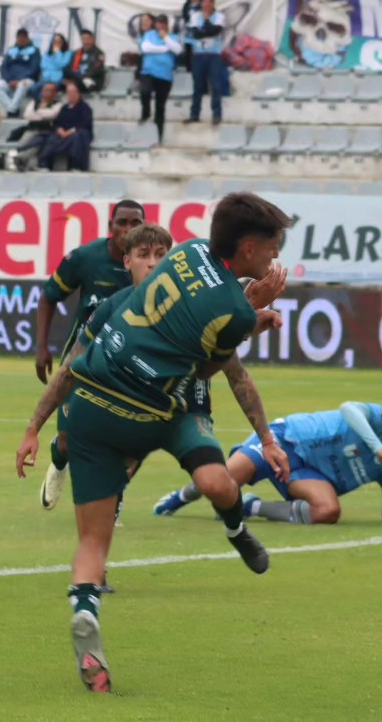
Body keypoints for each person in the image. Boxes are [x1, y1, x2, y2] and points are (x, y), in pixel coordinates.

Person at [16, 193, 295, 693]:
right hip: (163, 409)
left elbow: (72, 369)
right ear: (249, 248)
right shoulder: (226, 307)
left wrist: (33, 426)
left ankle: (86, 614)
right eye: (274, 248)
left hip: (96, 407)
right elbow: (211, 366)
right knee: (215, 481)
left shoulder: (185, 253)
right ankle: (235, 528)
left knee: (95, 539)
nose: (277, 258)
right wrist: (249, 313)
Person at [19, 224, 286, 587]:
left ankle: (236, 530)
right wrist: (34, 427)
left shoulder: (194, 302)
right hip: (134, 403)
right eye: (143, 255)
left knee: (217, 484)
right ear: (126, 262)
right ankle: (96, 571)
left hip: (187, 410)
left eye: (161, 255)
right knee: (110, 476)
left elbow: (235, 373)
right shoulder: (113, 308)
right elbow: (71, 370)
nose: (153, 263)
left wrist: (267, 439)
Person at [155, 397, 382, 527]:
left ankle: (249, 507)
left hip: (310, 473)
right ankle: (182, 496)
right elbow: (348, 409)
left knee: (328, 512)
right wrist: (378, 448)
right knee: (222, 480)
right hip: (287, 440)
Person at [33, 200, 143, 509]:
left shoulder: (152, 267)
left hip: (128, 363)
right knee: (69, 442)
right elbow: (49, 296)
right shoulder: (85, 258)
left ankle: (113, 497)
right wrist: (42, 346)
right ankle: (58, 459)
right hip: (83, 357)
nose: (129, 229)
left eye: (137, 222)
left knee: (128, 438)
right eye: (123, 222)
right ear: (111, 226)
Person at [139, 14, 182, 141]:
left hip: (165, 76)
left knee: (160, 106)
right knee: (145, 92)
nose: (160, 25)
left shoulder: (173, 37)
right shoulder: (149, 34)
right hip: (148, 72)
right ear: (155, 24)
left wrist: (166, 38)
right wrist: (165, 48)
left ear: (167, 25)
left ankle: (159, 136)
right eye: (158, 23)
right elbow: (145, 48)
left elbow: (178, 50)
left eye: (163, 23)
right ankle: (145, 113)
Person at [186, 0, 227, 126]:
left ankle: (216, 114)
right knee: (198, 86)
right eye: (205, 1)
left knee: (215, 85)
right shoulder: (195, 16)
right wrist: (206, 29)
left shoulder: (219, 16)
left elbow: (215, 31)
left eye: (210, 1)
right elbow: (194, 34)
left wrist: (207, 20)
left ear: (213, 3)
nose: (207, 4)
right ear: (201, 3)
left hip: (214, 55)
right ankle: (194, 114)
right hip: (198, 55)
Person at [36, 80, 93, 172]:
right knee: (52, 137)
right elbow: (57, 122)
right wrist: (60, 129)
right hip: (64, 133)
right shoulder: (64, 108)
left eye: (74, 92)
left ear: (79, 93)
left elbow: (85, 123)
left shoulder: (85, 107)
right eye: (69, 92)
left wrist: (70, 131)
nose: (71, 95)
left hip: (77, 132)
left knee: (77, 137)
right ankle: (44, 164)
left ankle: (76, 166)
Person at [8, 81, 62, 171]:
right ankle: (20, 163)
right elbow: (27, 115)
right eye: (45, 90)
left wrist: (36, 112)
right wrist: (42, 114)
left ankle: (21, 159)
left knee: (36, 143)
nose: (46, 92)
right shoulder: (34, 102)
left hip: (45, 130)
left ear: (55, 93)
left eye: (50, 90)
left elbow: (52, 114)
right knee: (24, 142)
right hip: (31, 128)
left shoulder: (58, 104)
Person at [0, 28, 40, 117]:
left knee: (22, 85)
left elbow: (34, 68)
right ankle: (13, 108)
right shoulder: (11, 50)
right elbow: (4, 67)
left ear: (27, 38)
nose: (21, 40)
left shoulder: (34, 51)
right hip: (10, 80)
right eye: (19, 38)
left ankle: (12, 110)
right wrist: (9, 80)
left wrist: (19, 80)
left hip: (27, 80)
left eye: (24, 38)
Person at [29, 33, 70, 103]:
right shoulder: (47, 54)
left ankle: (43, 107)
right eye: (55, 41)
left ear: (63, 43)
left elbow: (62, 65)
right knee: (32, 89)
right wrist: (55, 67)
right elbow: (43, 65)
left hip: (58, 79)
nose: (57, 43)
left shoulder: (67, 53)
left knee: (47, 90)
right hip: (46, 78)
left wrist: (58, 53)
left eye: (59, 42)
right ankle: (40, 105)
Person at [63, 30, 106, 95]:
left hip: (92, 81)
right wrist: (67, 78)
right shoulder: (76, 53)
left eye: (88, 39)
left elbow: (95, 70)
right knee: (54, 85)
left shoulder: (99, 54)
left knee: (76, 84)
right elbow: (69, 68)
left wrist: (78, 78)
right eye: (83, 39)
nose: (86, 42)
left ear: (93, 39)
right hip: (77, 79)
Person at [180, 0, 204, 72]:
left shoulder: (204, 4)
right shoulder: (186, 6)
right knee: (189, 56)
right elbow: (185, 19)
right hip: (189, 35)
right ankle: (189, 72)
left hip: (202, 35)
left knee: (201, 56)